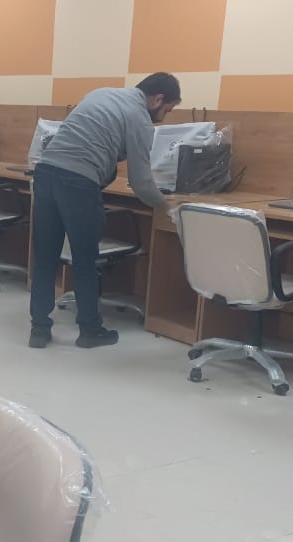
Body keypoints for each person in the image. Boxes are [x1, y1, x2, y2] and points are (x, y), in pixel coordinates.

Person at [28, 72, 180, 349]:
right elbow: (141, 183)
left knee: (45, 257)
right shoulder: (139, 118)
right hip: (78, 183)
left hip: (45, 173)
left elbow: (87, 139)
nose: (163, 118)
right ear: (157, 99)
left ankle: (38, 329)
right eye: (167, 110)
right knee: (85, 259)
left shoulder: (101, 93)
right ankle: (90, 330)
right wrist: (167, 205)